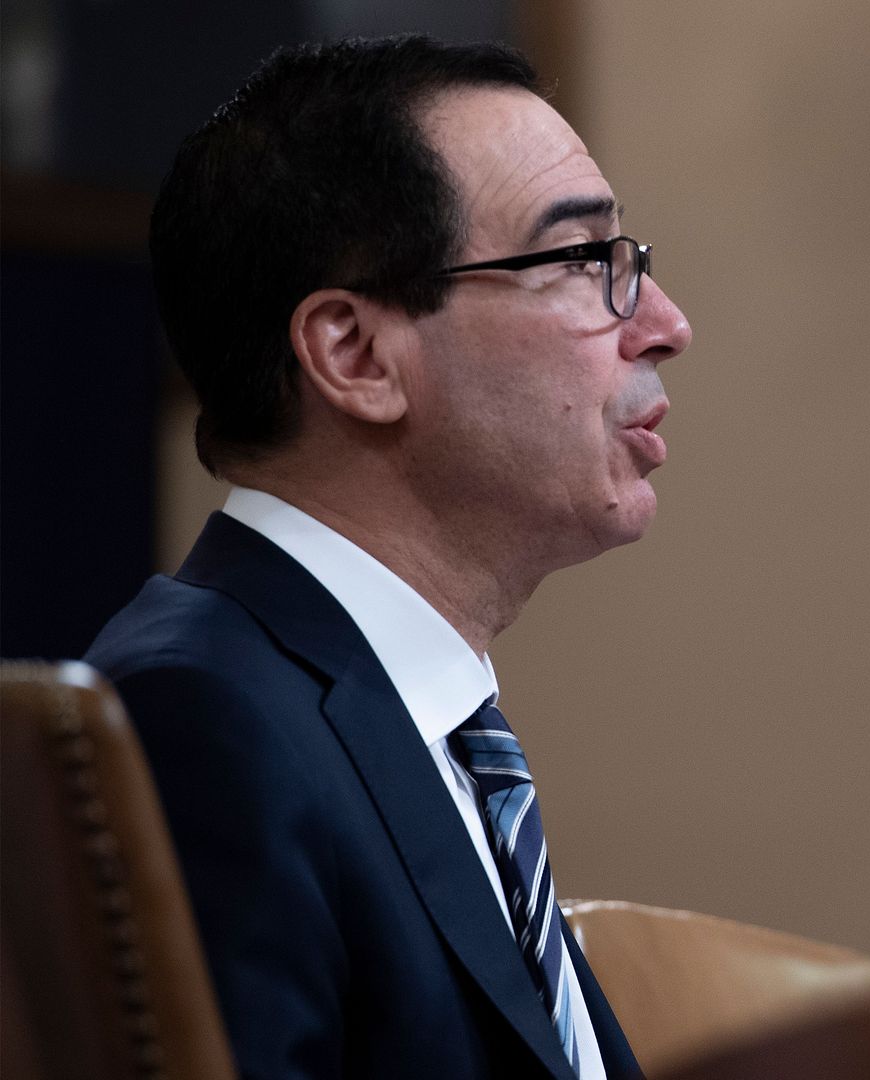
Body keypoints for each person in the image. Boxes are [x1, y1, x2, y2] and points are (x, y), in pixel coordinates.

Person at [85, 35, 689, 1079]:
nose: (665, 325)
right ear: (356, 355)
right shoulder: (204, 718)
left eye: (627, 262)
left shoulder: (393, 719)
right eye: (582, 261)